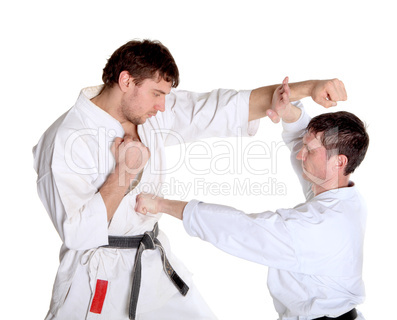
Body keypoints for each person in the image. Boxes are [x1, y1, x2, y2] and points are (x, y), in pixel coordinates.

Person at [33, 38, 348, 320]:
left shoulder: (150, 112)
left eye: (165, 96)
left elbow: (221, 107)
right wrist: (124, 172)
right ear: (126, 81)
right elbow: (77, 233)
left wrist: (309, 88)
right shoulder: (65, 139)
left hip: (152, 267)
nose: (162, 106)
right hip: (95, 284)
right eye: (157, 94)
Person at [136, 77, 369, 320]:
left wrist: (161, 204)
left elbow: (241, 229)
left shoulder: (315, 227)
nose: (300, 154)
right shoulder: (345, 199)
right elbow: (303, 137)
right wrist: (289, 111)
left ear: (339, 161)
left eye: (309, 151)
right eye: (304, 145)